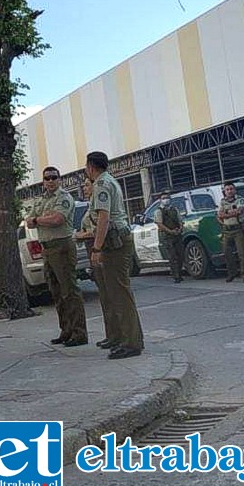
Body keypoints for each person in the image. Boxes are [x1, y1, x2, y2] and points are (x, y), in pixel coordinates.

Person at [85, 151, 144, 359]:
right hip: (116, 239)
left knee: (119, 293)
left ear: (91, 166)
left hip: (114, 242)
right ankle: (124, 337)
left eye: (86, 167)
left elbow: (104, 217)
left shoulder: (101, 184)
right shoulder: (110, 180)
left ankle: (131, 343)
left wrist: (97, 248)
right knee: (116, 292)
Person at [26, 166, 88, 347]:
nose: (50, 181)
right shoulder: (41, 200)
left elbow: (57, 220)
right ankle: (66, 330)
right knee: (56, 292)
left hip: (62, 246)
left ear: (59, 179)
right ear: (43, 181)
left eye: (54, 177)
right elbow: (28, 221)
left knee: (69, 290)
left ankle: (79, 332)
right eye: (47, 178)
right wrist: (40, 218)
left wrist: (39, 219)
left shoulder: (64, 197)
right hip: (46, 248)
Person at [217, 182, 244, 283]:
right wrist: (229, 213)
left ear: (235, 190)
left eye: (231, 189)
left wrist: (226, 213)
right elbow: (219, 215)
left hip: (238, 229)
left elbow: (239, 211)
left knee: (242, 254)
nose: (229, 191)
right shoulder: (223, 201)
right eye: (227, 189)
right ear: (224, 191)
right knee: (227, 253)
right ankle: (231, 273)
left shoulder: (240, 199)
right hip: (227, 230)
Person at [154, 191, 185, 283]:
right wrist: (170, 231)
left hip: (177, 234)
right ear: (160, 200)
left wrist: (180, 229)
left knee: (180, 255)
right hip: (167, 236)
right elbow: (160, 224)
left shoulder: (174, 209)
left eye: (167, 198)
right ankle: (176, 276)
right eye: (163, 198)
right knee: (172, 256)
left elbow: (180, 220)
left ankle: (179, 273)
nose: (166, 200)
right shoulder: (158, 211)